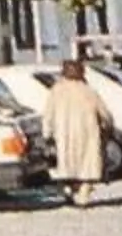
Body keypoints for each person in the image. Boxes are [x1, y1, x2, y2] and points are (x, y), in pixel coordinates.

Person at [43, 55, 116, 209]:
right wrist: (108, 127)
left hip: (64, 135)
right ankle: (83, 195)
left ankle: (69, 189)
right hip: (88, 135)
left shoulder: (56, 91)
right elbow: (105, 114)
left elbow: (48, 114)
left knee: (67, 166)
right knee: (87, 167)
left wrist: (47, 133)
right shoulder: (88, 91)